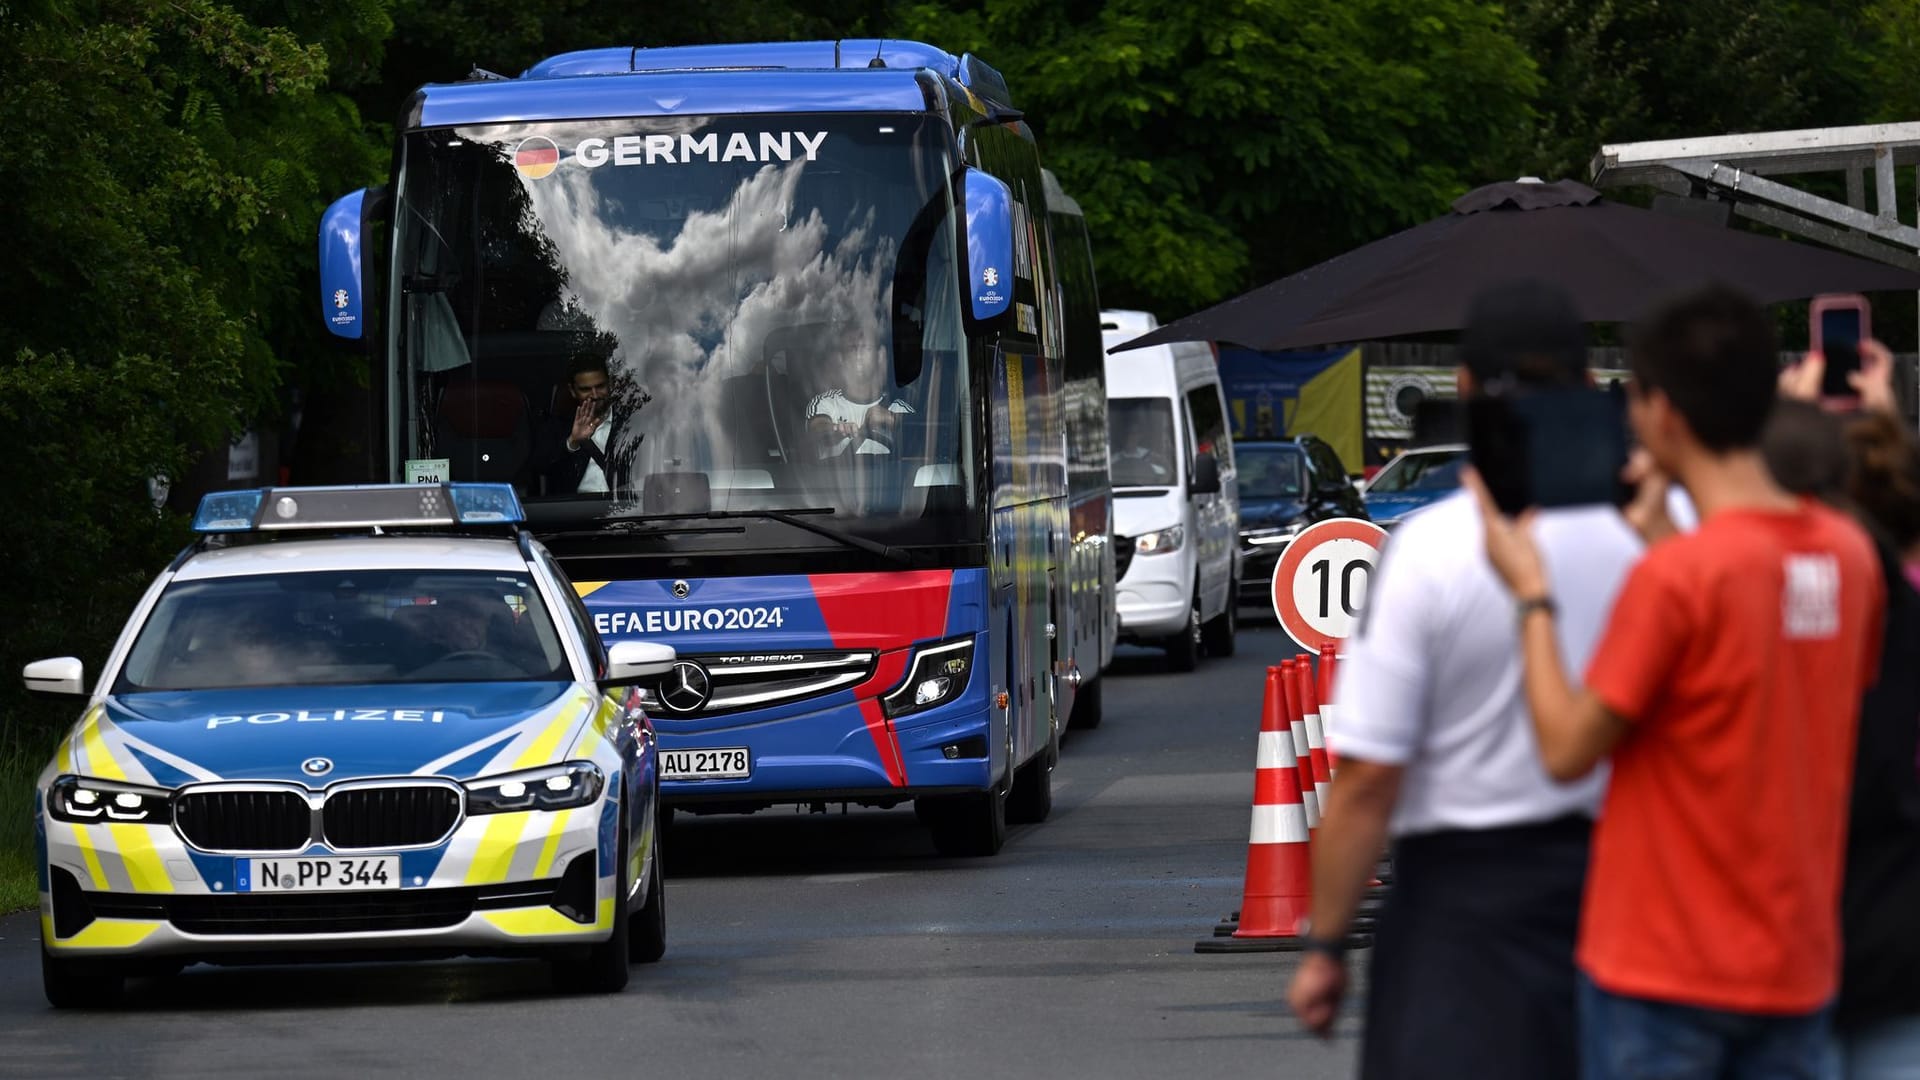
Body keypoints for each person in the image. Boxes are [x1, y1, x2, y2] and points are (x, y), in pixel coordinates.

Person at [1468, 282, 1885, 1079]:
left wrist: (1531, 593)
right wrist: (1661, 537)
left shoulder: (1679, 579)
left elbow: (1565, 747)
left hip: (1664, 969)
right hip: (1796, 961)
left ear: (1662, 410)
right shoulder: (1846, 553)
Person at [1285, 280, 1644, 1079]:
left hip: (1458, 912)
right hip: (1622, 899)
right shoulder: (1649, 543)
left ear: (1466, 392)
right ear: (1590, 389)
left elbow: (1371, 774)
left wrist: (1327, 944)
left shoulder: (1430, 552)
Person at [1772, 344, 1920, 1080]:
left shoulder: (1775, 597)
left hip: (1792, 937)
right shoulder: (1901, 599)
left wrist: (1790, 431)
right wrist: (1887, 430)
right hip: (1899, 936)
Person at [527, 355, 648, 495]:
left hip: (623, 508)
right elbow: (539, 468)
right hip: (576, 510)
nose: (595, 395)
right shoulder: (557, 426)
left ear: (611, 385)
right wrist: (572, 442)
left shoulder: (633, 424)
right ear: (572, 391)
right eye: (585, 389)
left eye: (600, 386)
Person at [805, 325, 914, 457]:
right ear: (841, 358)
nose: (858, 353)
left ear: (879, 356)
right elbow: (817, 428)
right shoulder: (825, 402)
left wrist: (892, 419)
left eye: (866, 347)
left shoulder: (897, 408)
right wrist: (836, 430)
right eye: (852, 347)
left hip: (888, 477)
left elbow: (924, 439)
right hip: (832, 477)